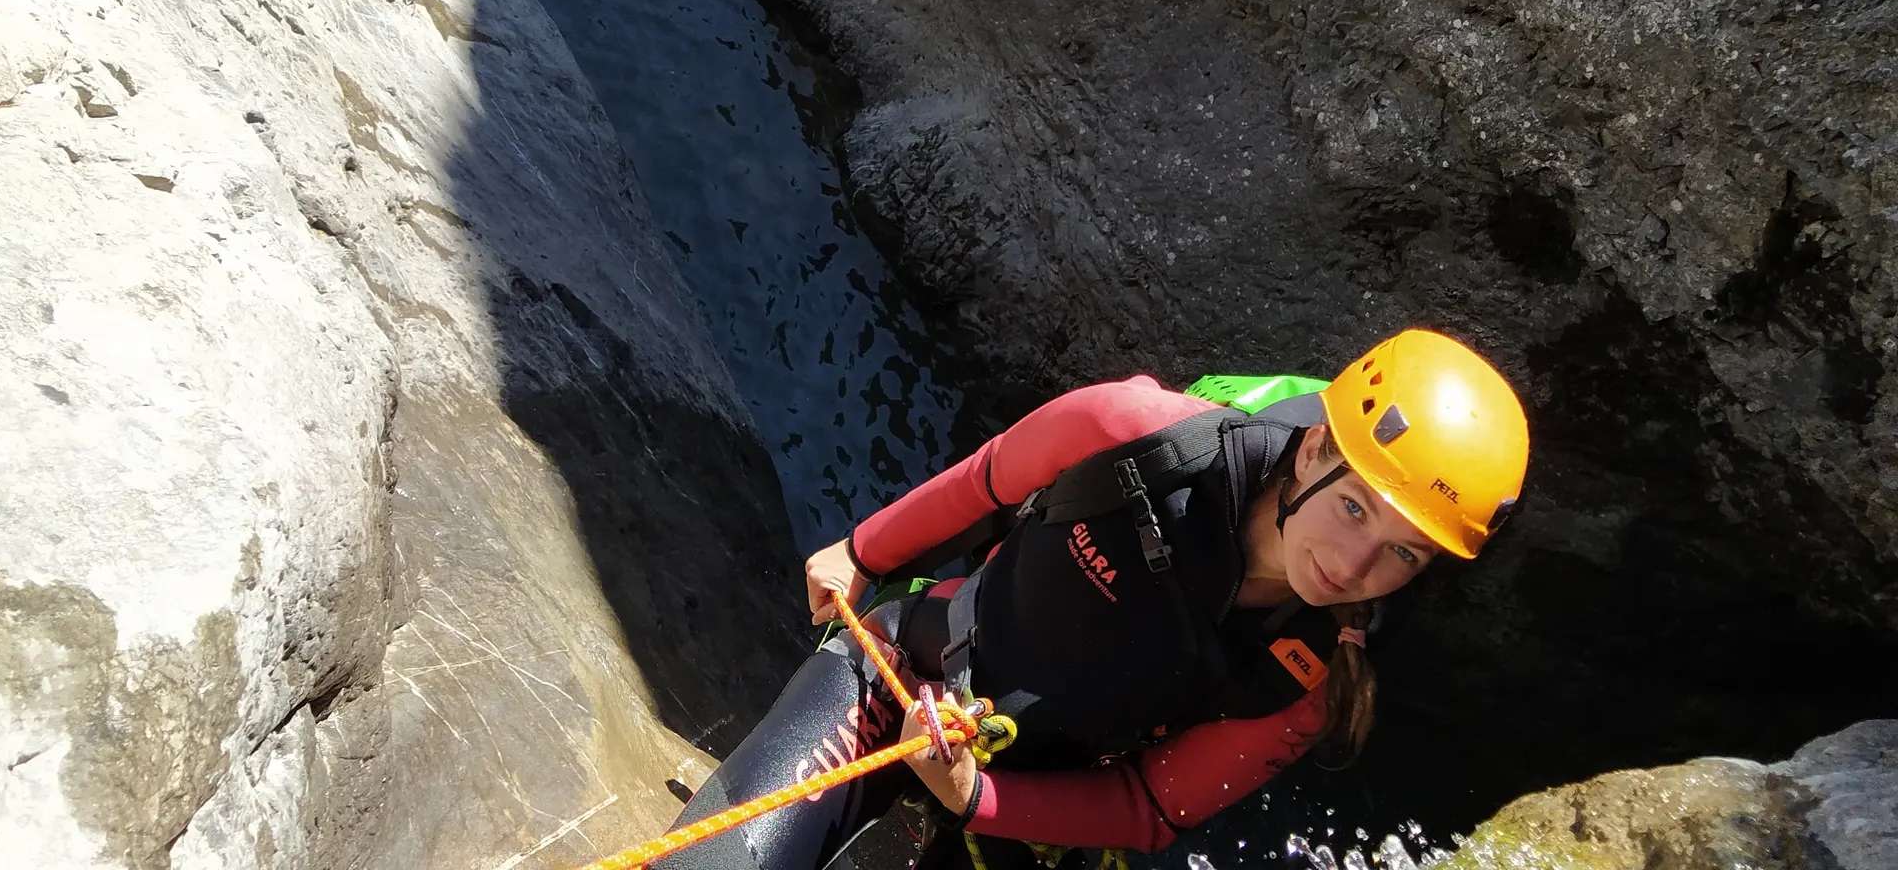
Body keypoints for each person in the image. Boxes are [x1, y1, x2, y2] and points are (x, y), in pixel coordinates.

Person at [655, 329, 1530, 870]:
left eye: (1402, 555)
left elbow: (1150, 809)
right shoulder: (1136, 436)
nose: (1353, 566)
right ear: (1312, 453)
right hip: (910, 665)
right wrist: (860, 550)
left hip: (1031, 806)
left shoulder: (1309, 678)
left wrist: (971, 799)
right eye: (1353, 509)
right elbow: (989, 479)